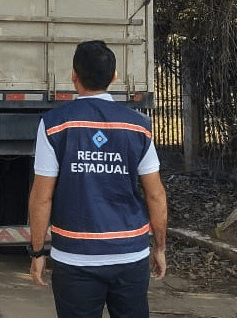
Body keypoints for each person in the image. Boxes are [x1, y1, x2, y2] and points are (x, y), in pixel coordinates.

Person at [28, 40, 167, 318]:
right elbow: (156, 195)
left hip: (74, 258)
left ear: (73, 75)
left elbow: (42, 197)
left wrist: (37, 252)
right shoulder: (138, 125)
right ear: (114, 77)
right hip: (130, 255)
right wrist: (160, 247)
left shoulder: (55, 123)